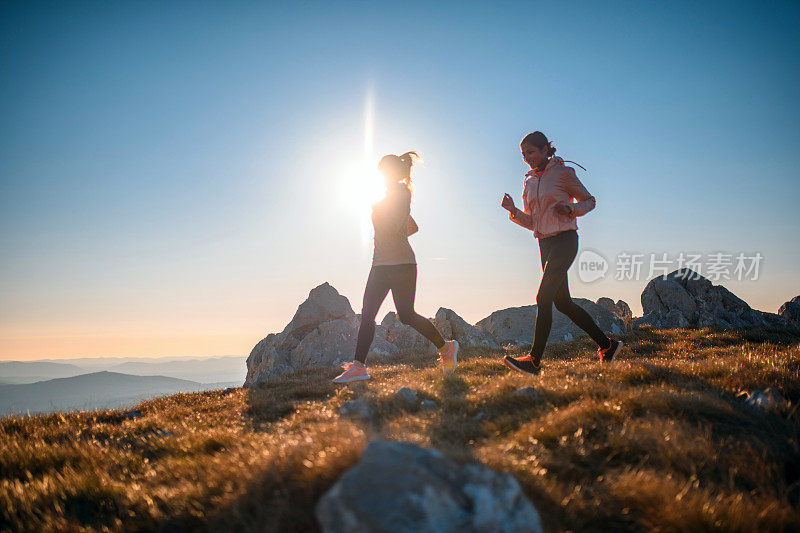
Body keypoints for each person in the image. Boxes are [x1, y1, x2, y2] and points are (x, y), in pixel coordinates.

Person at [500, 131, 622, 375]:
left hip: (565, 240)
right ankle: (608, 346)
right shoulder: (529, 181)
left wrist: (570, 209)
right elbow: (533, 221)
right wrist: (513, 210)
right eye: (523, 155)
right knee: (563, 302)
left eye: (531, 152)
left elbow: (589, 200)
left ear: (546, 149)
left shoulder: (564, 173)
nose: (527, 159)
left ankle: (534, 361)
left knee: (543, 298)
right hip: (544, 244)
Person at [333, 152, 459, 383]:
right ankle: (359, 367)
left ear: (393, 172)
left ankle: (446, 347)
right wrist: (391, 227)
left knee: (406, 315)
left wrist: (380, 212)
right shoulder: (387, 196)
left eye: (383, 171)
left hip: (402, 264)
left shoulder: (402, 193)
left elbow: (392, 226)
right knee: (368, 314)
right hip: (380, 264)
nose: (380, 175)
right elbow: (411, 226)